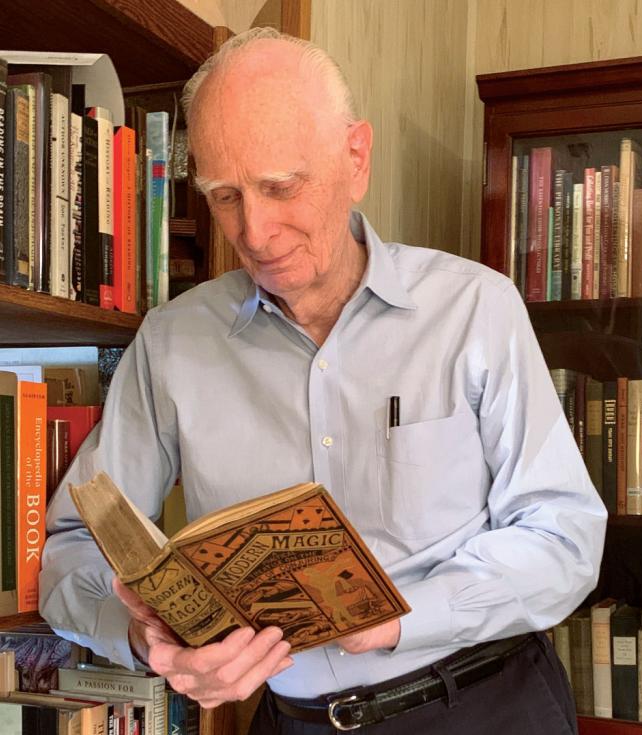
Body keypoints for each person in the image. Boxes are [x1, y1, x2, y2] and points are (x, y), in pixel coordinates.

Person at [40, 26, 607, 734]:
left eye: (281, 187)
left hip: (484, 704)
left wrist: (401, 616)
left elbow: (564, 536)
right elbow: (71, 550)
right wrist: (143, 639)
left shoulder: (474, 308)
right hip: (291, 719)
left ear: (356, 157)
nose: (255, 231)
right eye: (224, 196)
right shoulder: (172, 343)